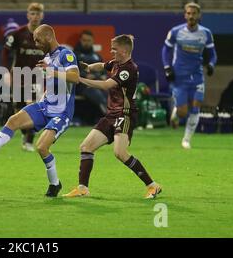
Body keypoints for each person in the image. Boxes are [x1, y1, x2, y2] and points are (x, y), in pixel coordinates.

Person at [0, 24, 80, 197]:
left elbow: (75, 77)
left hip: (61, 112)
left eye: (38, 39)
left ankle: (55, 183)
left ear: (49, 37)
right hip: (45, 106)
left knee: (42, 147)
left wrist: (53, 71)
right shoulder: (48, 57)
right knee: (13, 121)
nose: (36, 44)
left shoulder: (66, 54)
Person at [63, 35, 162, 199]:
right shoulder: (116, 63)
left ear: (124, 50)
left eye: (114, 49)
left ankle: (153, 186)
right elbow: (102, 65)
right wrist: (89, 67)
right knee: (86, 147)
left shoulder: (129, 69)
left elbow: (105, 85)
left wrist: (80, 79)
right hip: (111, 115)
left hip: (125, 114)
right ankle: (82, 189)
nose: (111, 51)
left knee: (120, 153)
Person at [162, 2, 218, 149]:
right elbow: (166, 50)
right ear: (185, 15)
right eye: (188, 13)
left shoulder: (206, 33)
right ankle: (176, 112)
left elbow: (212, 54)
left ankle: (186, 140)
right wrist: (167, 67)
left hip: (197, 75)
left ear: (199, 16)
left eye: (194, 13)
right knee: (182, 112)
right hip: (180, 76)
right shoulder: (176, 31)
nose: (191, 16)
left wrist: (211, 64)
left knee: (196, 106)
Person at [2, 3, 45, 152]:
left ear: (42, 16)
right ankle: (25, 133)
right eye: (32, 13)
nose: (35, 17)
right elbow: (6, 52)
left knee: (32, 107)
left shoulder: (46, 35)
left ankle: (28, 141)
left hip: (38, 77)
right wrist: (7, 71)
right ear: (28, 15)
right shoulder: (18, 34)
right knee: (18, 110)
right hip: (20, 75)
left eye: (38, 14)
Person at [74, 30, 108, 120]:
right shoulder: (74, 55)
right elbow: (72, 71)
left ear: (92, 41)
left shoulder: (97, 56)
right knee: (96, 93)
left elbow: (104, 72)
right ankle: (108, 115)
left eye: (89, 40)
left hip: (98, 83)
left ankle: (115, 115)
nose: (86, 43)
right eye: (84, 40)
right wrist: (85, 75)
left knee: (109, 91)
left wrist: (99, 76)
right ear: (80, 40)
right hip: (82, 85)